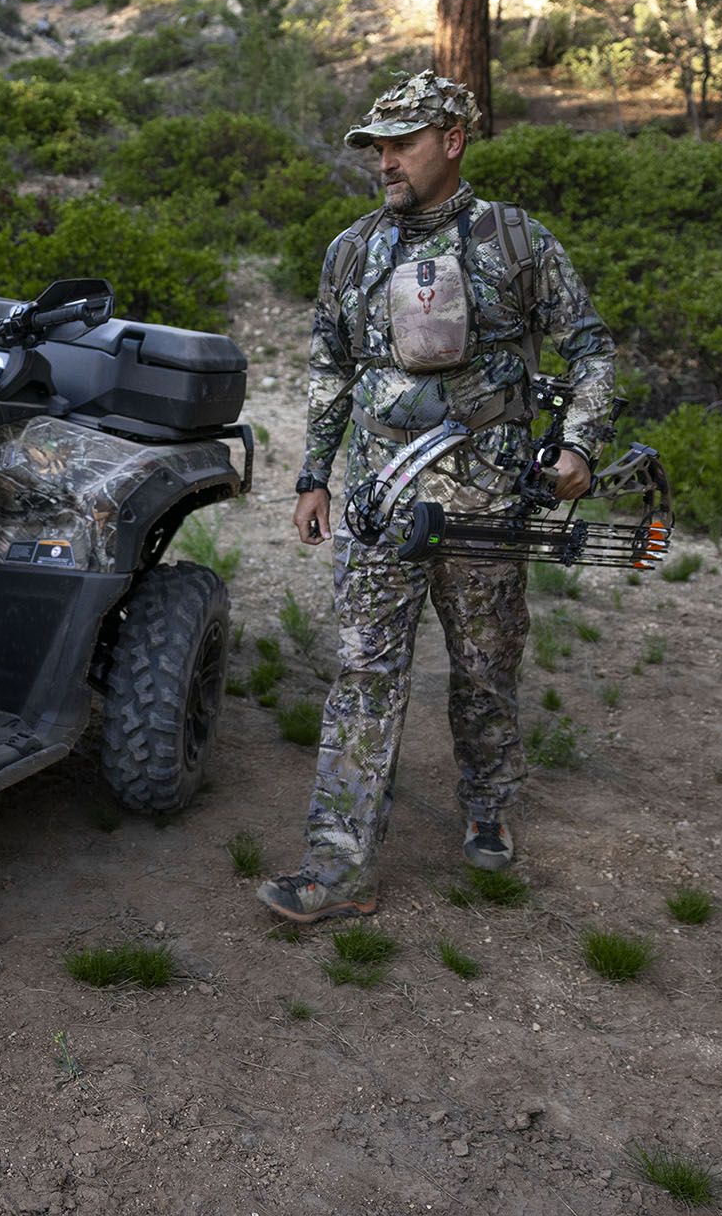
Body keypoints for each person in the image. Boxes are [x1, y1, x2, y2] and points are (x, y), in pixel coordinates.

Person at [258, 69, 616, 925]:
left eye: (402, 141)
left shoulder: (517, 243)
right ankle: (337, 863)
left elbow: (592, 350)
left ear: (452, 141)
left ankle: (488, 801)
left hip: (488, 506)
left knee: (486, 667)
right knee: (362, 674)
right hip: (381, 503)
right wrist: (313, 475)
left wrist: (578, 447)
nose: (385, 159)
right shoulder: (350, 251)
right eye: (377, 144)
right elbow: (329, 371)